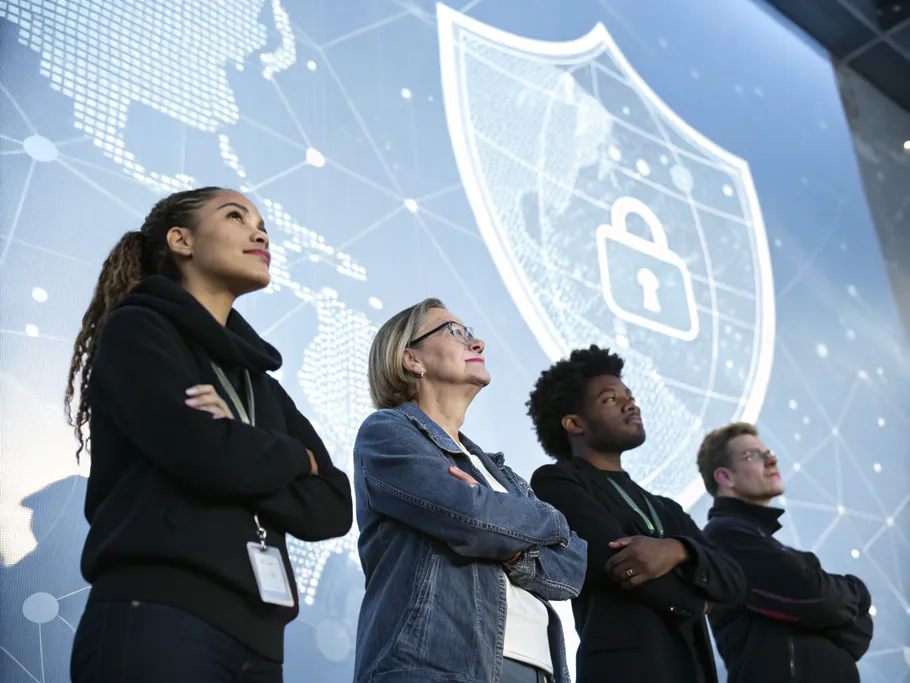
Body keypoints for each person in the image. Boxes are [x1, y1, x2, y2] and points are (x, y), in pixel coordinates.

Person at [64, 187, 353, 683]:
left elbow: (332, 506)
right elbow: (206, 456)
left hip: (261, 643)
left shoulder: (258, 382)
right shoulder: (138, 331)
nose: (259, 232)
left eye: (262, 223)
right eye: (236, 216)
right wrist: (290, 457)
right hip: (159, 614)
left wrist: (237, 442)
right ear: (181, 240)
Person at [352, 298, 587, 683]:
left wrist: (505, 536)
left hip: (539, 670)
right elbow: (473, 519)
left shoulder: (495, 471)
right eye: (456, 333)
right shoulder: (386, 432)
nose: (477, 344)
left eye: (472, 335)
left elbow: (571, 568)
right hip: (439, 669)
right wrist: (546, 519)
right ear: (412, 359)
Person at [527, 346, 747, 683]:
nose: (631, 404)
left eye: (629, 396)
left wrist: (679, 550)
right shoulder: (557, 481)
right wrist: (699, 603)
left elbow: (735, 580)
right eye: (609, 399)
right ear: (574, 423)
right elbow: (619, 562)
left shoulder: (665, 507)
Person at [697, 422, 873, 683]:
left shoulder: (774, 548)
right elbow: (815, 598)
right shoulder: (724, 535)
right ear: (725, 477)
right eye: (752, 455)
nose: (770, 461)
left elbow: (858, 633)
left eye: (770, 454)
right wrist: (857, 592)